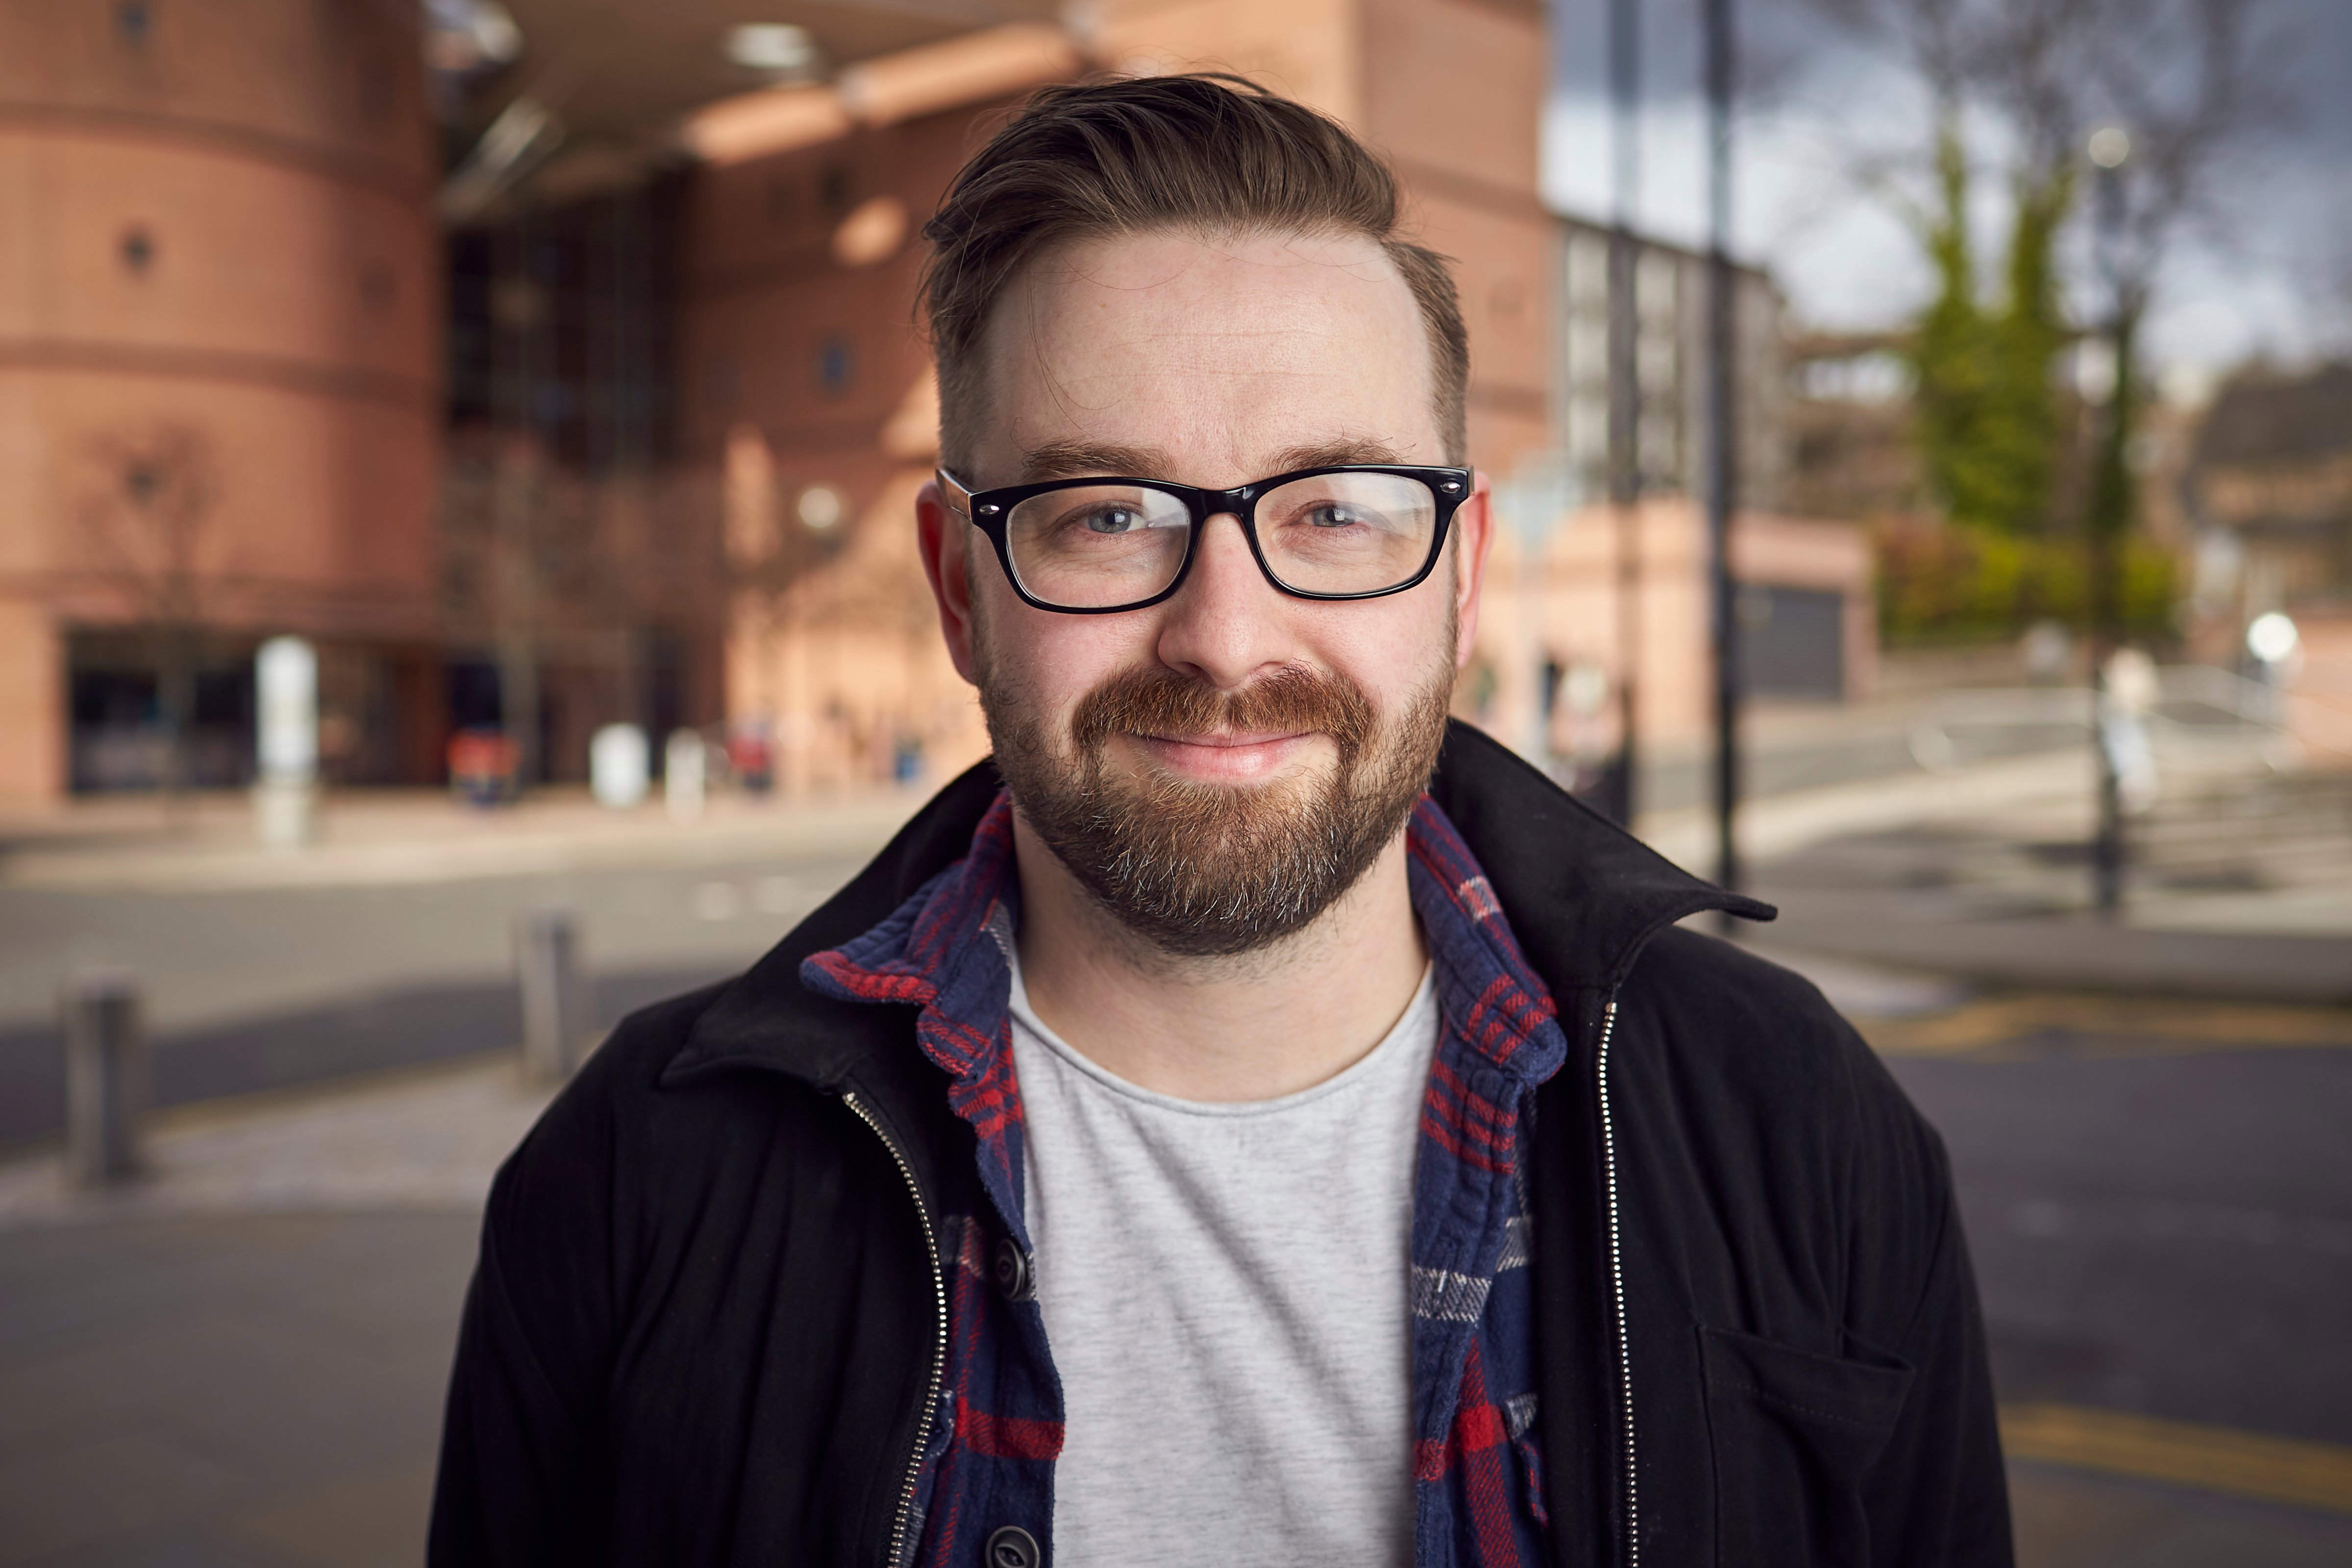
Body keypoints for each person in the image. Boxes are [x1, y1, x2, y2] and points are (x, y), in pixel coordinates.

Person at [429, 75, 2011, 1568]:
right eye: (1109, 515)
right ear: (958, 587)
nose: (1225, 639)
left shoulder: (1798, 1124)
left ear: (1461, 579)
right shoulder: (642, 1173)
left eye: (1334, 511)